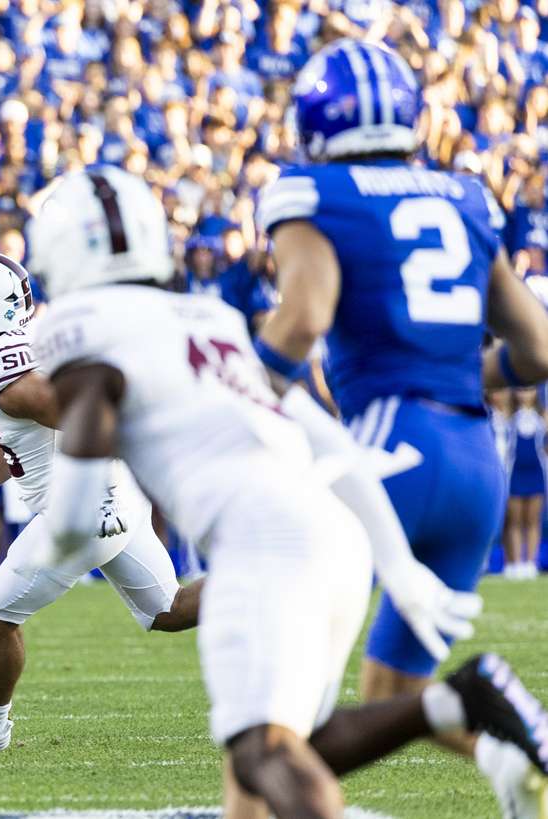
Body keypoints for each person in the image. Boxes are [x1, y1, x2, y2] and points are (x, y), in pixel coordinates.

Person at [29, 164, 548, 818]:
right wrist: (397, 567)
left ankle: (462, 700)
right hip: (333, 527)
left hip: (262, 541)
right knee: (294, 743)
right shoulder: (208, 317)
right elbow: (328, 440)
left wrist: (42, 551)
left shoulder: (79, 329)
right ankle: (456, 700)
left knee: (261, 754)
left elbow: (76, 518)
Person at [255, 40, 548, 816]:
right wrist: (453, 371)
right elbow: (538, 348)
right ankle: (501, 744)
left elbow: (304, 317)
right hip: (472, 461)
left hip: (389, 453)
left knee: (273, 732)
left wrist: (238, 392)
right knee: (394, 694)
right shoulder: (465, 196)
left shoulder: (312, 191)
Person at [0, 251, 199, 753]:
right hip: (115, 497)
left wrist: (100, 490)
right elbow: (18, 440)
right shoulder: (29, 341)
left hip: (86, 505)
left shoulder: (1, 362)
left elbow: (76, 415)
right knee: (168, 610)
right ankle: (260, 579)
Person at [503, 389, 544, 579]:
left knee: (533, 519)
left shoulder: (542, 417)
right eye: (521, 389)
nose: (525, 394)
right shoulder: (509, 417)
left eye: (529, 389)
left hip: (536, 473)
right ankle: (515, 563)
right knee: (515, 520)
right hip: (515, 474)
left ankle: (531, 562)